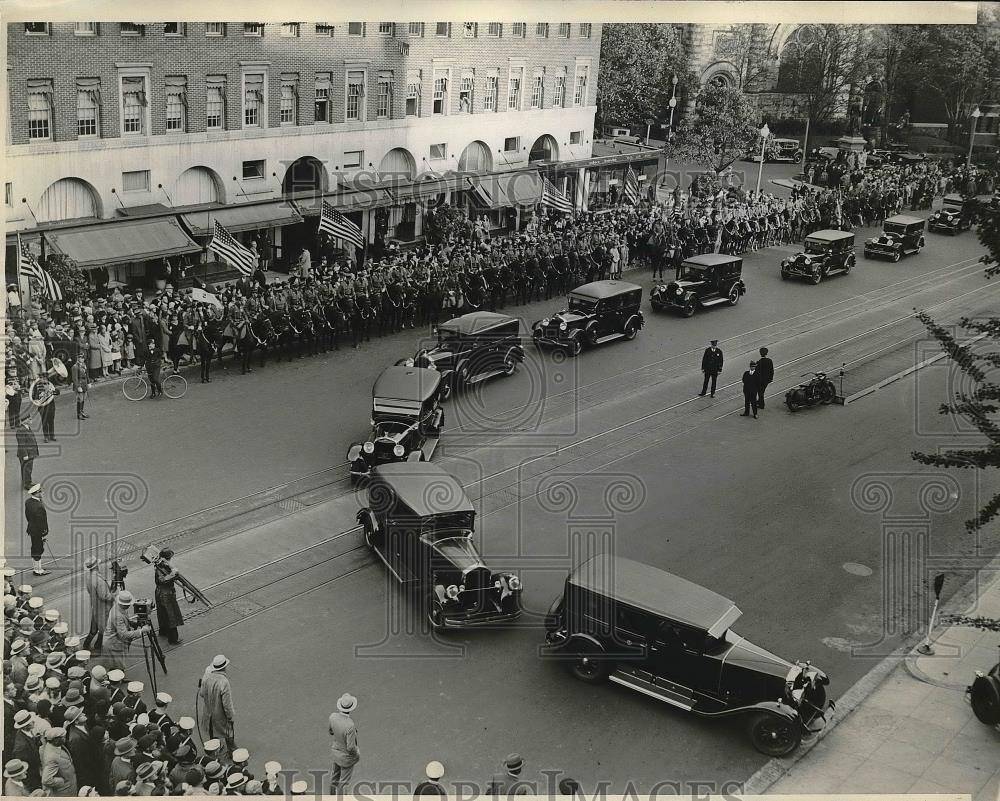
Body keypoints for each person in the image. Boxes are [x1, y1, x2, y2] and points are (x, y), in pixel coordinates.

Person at [103, 591, 152, 672]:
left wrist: (133, 623)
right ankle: (117, 680)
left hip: (116, 642)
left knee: (119, 664)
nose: (130, 605)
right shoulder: (117, 615)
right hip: (113, 643)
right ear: (123, 604)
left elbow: (124, 620)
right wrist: (142, 630)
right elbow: (123, 635)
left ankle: (120, 677)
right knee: (117, 666)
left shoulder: (119, 607)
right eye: (128, 604)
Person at [198, 655, 236, 756]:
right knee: (228, 730)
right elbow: (227, 703)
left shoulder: (206, 676)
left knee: (212, 730)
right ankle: (231, 750)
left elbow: (201, 693)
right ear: (224, 667)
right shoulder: (223, 681)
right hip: (220, 713)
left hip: (208, 711)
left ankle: (214, 748)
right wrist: (230, 715)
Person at [328, 693, 360, 793]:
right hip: (346, 758)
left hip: (336, 753)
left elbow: (331, 731)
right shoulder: (350, 725)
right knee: (344, 782)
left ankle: (331, 797)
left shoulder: (332, 717)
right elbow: (351, 747)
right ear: (350, 709)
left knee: (334, 777)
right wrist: (357, 753)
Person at [82, 557, 113, 653]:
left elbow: (89, 590)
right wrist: (113, 595)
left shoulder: (89, 576)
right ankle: (98, 646)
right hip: (103, 607)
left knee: (94, 627)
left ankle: (86, 644)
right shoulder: (98, 580)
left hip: (95, 605)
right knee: (102, 628)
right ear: (97, 566)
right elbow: (104, 596)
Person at [153, 549, 184, 645]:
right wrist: (172, 574)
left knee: (163, 614)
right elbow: (162, 580)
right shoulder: (161, 567)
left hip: (162, 593)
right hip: (166, 594)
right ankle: (173, 639)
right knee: (171, 616)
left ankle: (163, 632)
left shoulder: (161, 565)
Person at [40, 726, 77, 796]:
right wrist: (62, 782)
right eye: (63, 737)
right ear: (56, 740)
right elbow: (46, 780)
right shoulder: (52, 757)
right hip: (65, 792)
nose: (65, 739)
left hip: (70, 786)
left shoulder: (55, 745)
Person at [25, 484, 50, 577]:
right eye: (40, 491)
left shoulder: (28, 502)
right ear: (36, 493)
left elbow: (27, 516)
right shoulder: (39, 506)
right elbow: (41, 522)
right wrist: (44, 533)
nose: (42, 493)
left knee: (34, 548)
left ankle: (36, 568)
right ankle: (38, 570)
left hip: (32, 529)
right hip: (38, 532)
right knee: (39, 549)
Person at [15, 416, 38, 491]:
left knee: (28, 468)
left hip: (30, 453)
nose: (31, 420)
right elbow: (21, 444)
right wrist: (25, 455)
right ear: (24, 421)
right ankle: (26, 484)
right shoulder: (21, 430)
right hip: (26, 454)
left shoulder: (27, 427)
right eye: (29, 419)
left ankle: (28, 482)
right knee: (26, 469)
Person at [35, 373, 57, 442]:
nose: (43, 379)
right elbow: (34, 397)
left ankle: (52, 435)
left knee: (51, 421)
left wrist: (52, 392)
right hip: (42, 407)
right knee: (44, 422)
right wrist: (40, 397)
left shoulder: (50, 385)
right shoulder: (37, 387)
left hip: (51, 406)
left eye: (44, 378)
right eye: (41, 378)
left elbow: (58, 392)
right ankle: (46, 437)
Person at [71, 352, 90, 420]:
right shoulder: (75, 367)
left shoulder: (84, 365)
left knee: (84, 398)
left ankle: (82, 412)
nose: (82, 359)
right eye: (80, 357)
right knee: (80, 399)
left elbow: (86, 374)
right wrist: (78, 386)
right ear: (77, 358)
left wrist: (88, 382)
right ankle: (78, 414)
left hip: (84, 383)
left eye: (83, 358)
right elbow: (74, 378)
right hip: (79, 383)